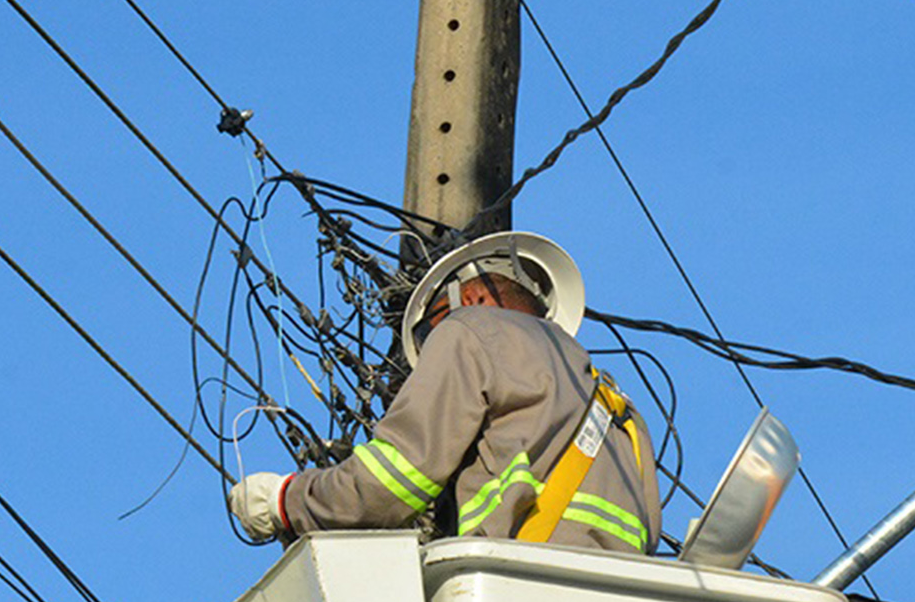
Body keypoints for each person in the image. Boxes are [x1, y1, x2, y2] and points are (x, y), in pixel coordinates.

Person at [226, 233, 661, 553]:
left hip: (517, 589)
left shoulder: (470, 328)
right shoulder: (618, 408)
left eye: (431, 326)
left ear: (469, 296)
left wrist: (286, 501)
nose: (433, 341)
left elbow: (394, 481)